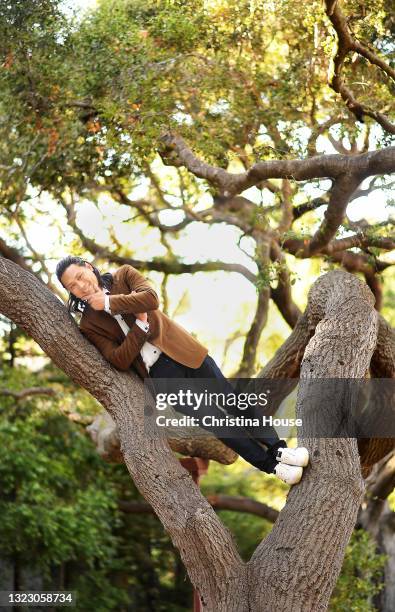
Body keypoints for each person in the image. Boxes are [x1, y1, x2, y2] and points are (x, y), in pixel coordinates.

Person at [55, 256, 309, 485]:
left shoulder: (124, 274)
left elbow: (150, 299)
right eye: (72, 286)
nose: (80, 285)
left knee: (234, 403)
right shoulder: (88, 324)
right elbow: (119, 359)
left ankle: (279, 449)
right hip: (160, 377)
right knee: (218, 422)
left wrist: (110, 303)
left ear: (88, 267)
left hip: (185, 350)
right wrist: (141, 325)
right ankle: (272, 466)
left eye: (80, 276)